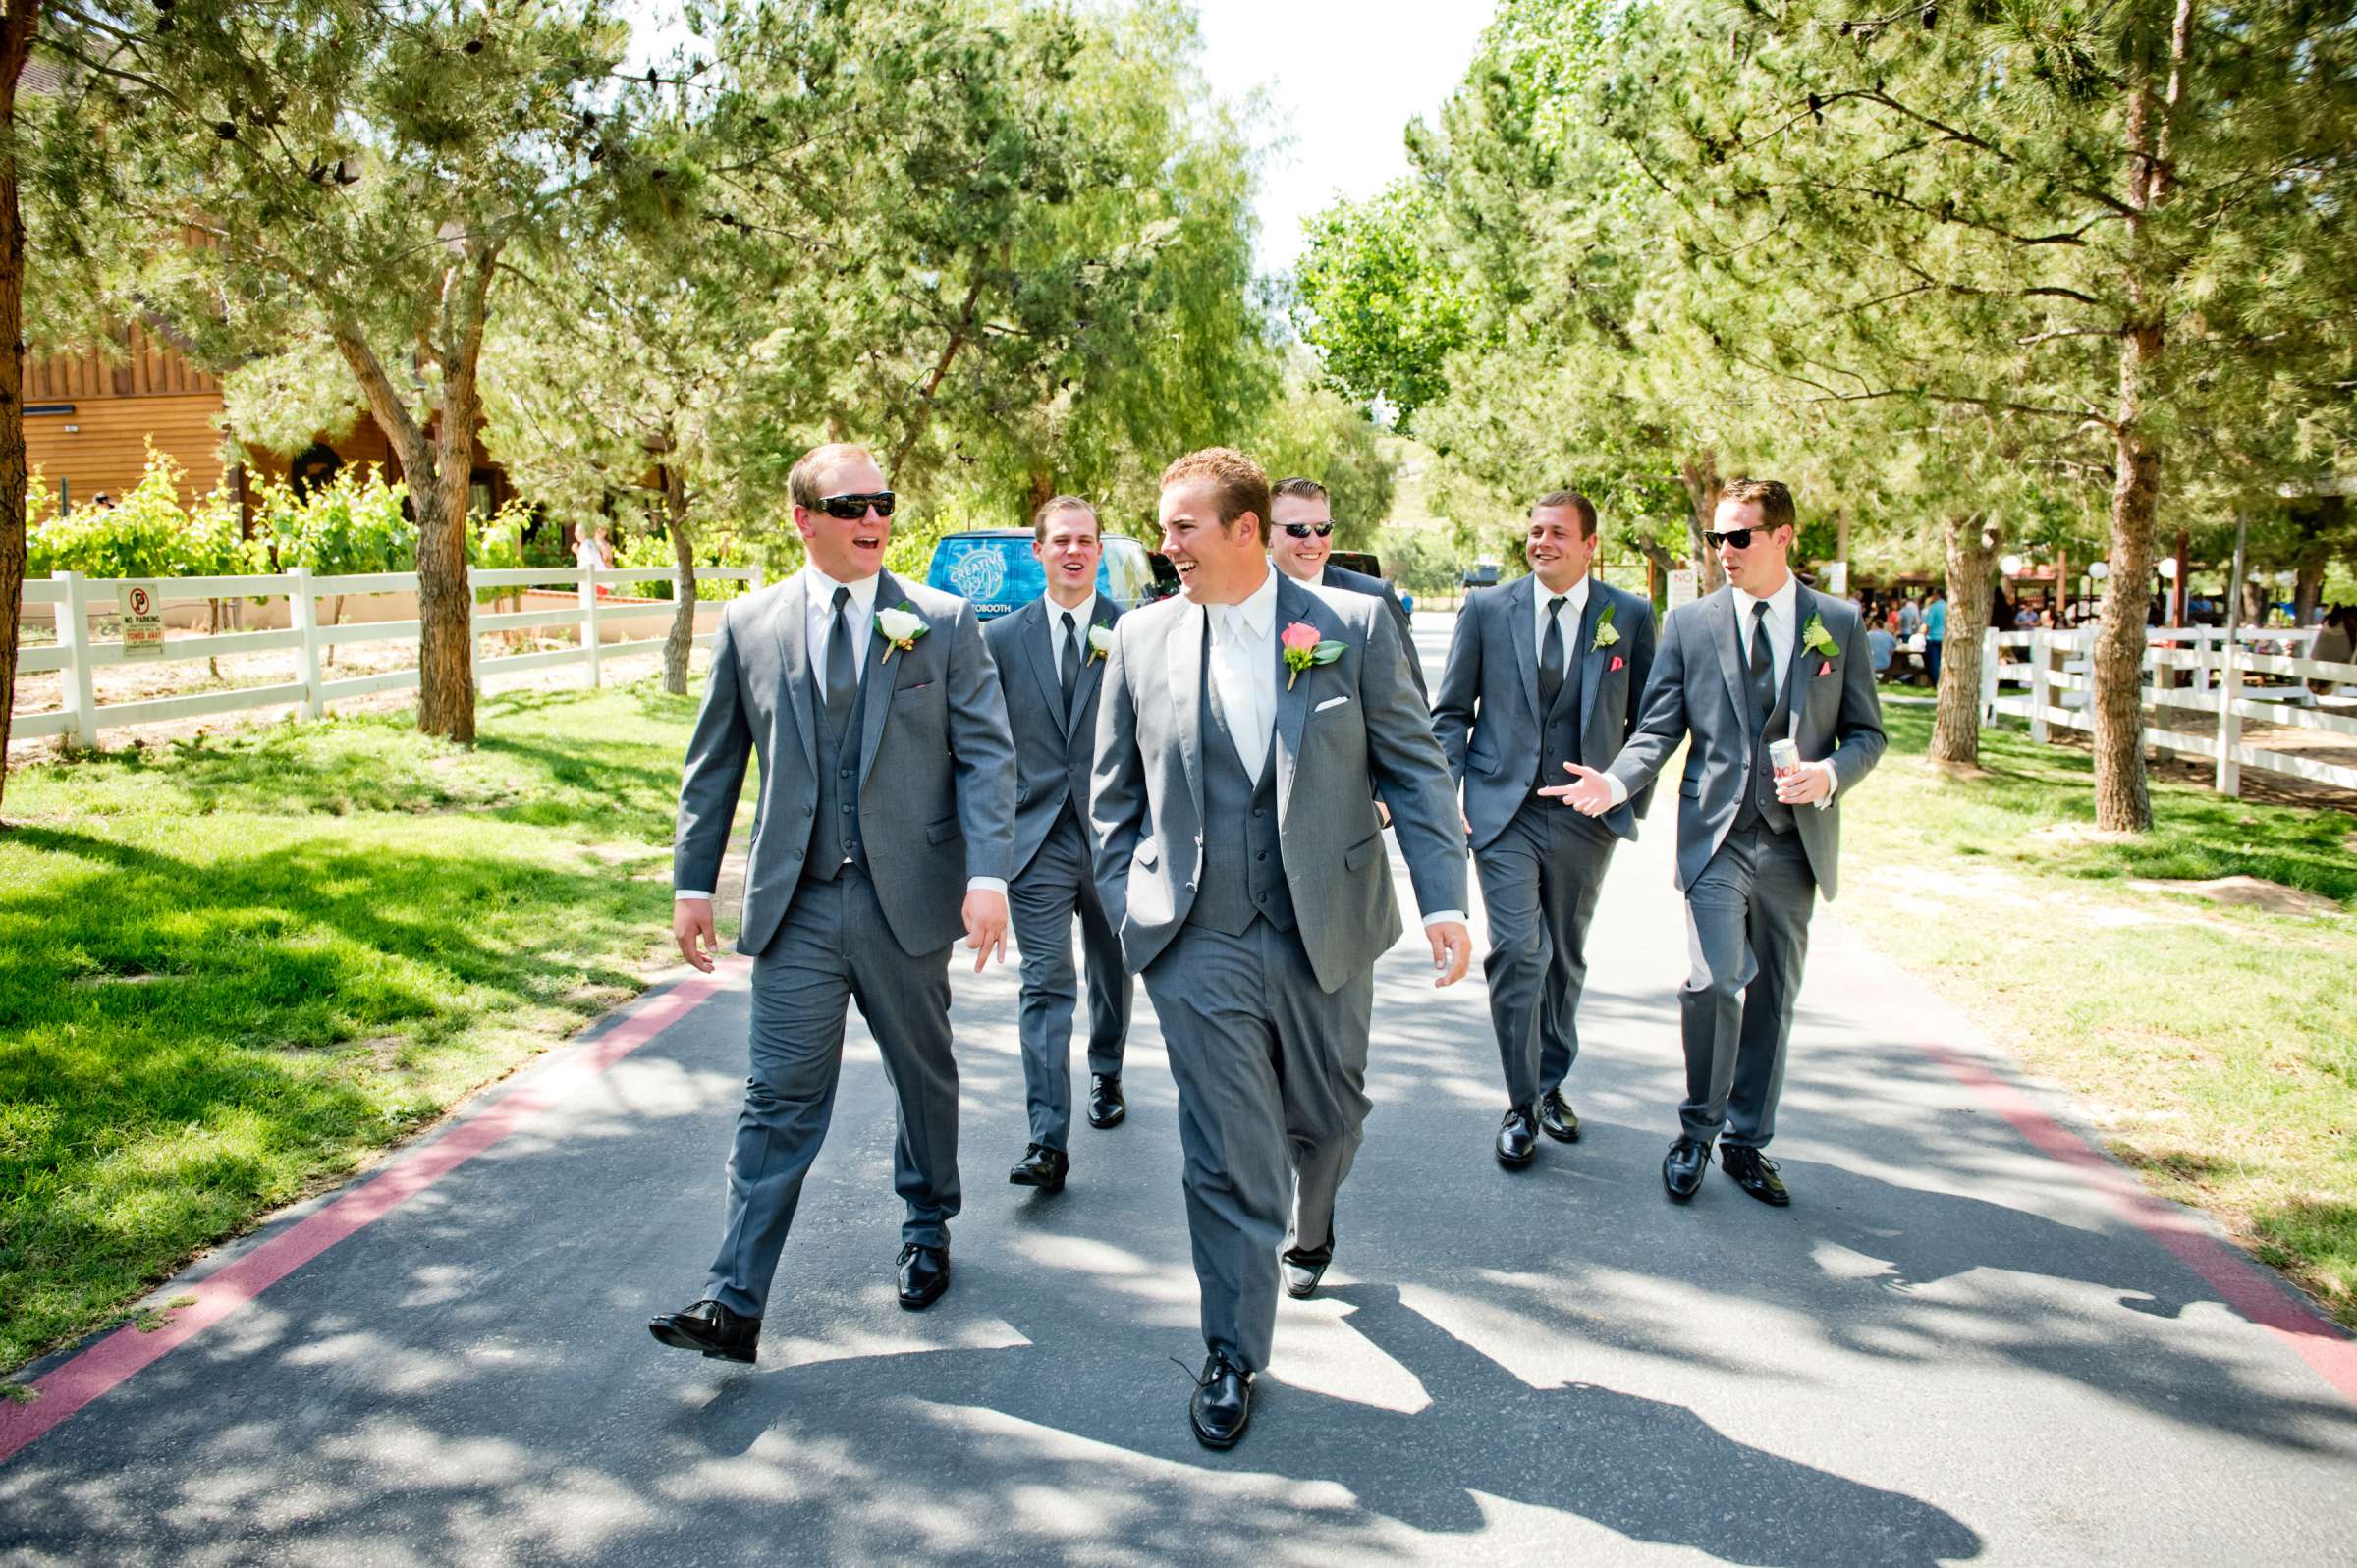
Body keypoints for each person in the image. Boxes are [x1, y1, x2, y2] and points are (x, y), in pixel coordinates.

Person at [1091, 447, 1470, 1449]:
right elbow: (1111, 801)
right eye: (1165, 528)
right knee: (1225, 1150)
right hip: (1198, 940)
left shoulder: (1347, 627)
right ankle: (1232, 1350)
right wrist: (1136, 914)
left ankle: (1317, 1215)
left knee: (1329, 1116)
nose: (1165, 545)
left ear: (1245, 530)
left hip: (1325, 931)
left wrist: (1444, 900)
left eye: (1183, 527)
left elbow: (1419, 772)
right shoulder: (1137, 638)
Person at [649, 443, 1017, 1366]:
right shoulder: (750, 623)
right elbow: (715, 765)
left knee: (921, 1076)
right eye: (850, 504)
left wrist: (988, 876)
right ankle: (734, 1299)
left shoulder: (940, 619)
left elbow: (987, 755)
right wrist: (694, 884)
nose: (872, 519)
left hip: (907, 899)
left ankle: (926, 1221)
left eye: (882, 502)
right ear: (803, 518)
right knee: (777, 1099)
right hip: (800, 904)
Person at [1547, 478, 1885, 1211]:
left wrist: (1829, 773)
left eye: (1738, 536)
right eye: (1715, 538)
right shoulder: (1692, 624)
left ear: (1782, 537)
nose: (1722, 551)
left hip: (1796, 840)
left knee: (1773, 994)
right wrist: (1616, 780)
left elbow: (1868, 733)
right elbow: (1660, 726)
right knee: (1713, 980)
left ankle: (1747, 1140)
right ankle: (1697, 1129)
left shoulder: (1838, 622)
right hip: (1716, 837)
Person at [1431, 490, 1657, 1167]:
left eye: (1558, 532)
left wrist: (1616, 787)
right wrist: (1452, 790)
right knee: (1519, 952)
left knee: (1564, 954)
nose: (1542, 542)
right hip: (1504, 810)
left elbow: (1651, 721)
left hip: (1586, 816)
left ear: (1591, 544)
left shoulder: (1631, 616)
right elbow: (1450, 713)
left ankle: (1553, 1080)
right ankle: (1522, 1101)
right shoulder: (1486, 609)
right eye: (1534, 531)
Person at [982, 496, 1134, 1194]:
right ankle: (1047, 1139)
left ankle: (1107, 1067)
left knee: (1111, 970)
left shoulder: (1132, 632)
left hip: (1112, 838)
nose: (1074, 551)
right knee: (1045, 983)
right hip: (1035, 838)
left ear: (1099, 551)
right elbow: (982, 747)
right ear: (1037, 551)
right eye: (1061, 540)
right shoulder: (1001, 639)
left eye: (1087, 541)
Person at [1267, 477, 1426, 699]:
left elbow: (1410, 703)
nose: (1313, 541)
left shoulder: (1373, 597)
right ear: (1267, 534)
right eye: (1298, 529)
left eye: (1323, 528)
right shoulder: (1240, 596)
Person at [1923, 590, 1948, 685]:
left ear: (1937, 595)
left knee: (1933, 663)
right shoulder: (1948, 606)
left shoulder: (1933, 608)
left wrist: (1923, 635)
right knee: (1944, 662)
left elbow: (1928, 624)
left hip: (1933, 638)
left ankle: (1937, 682)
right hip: (1945, 638)